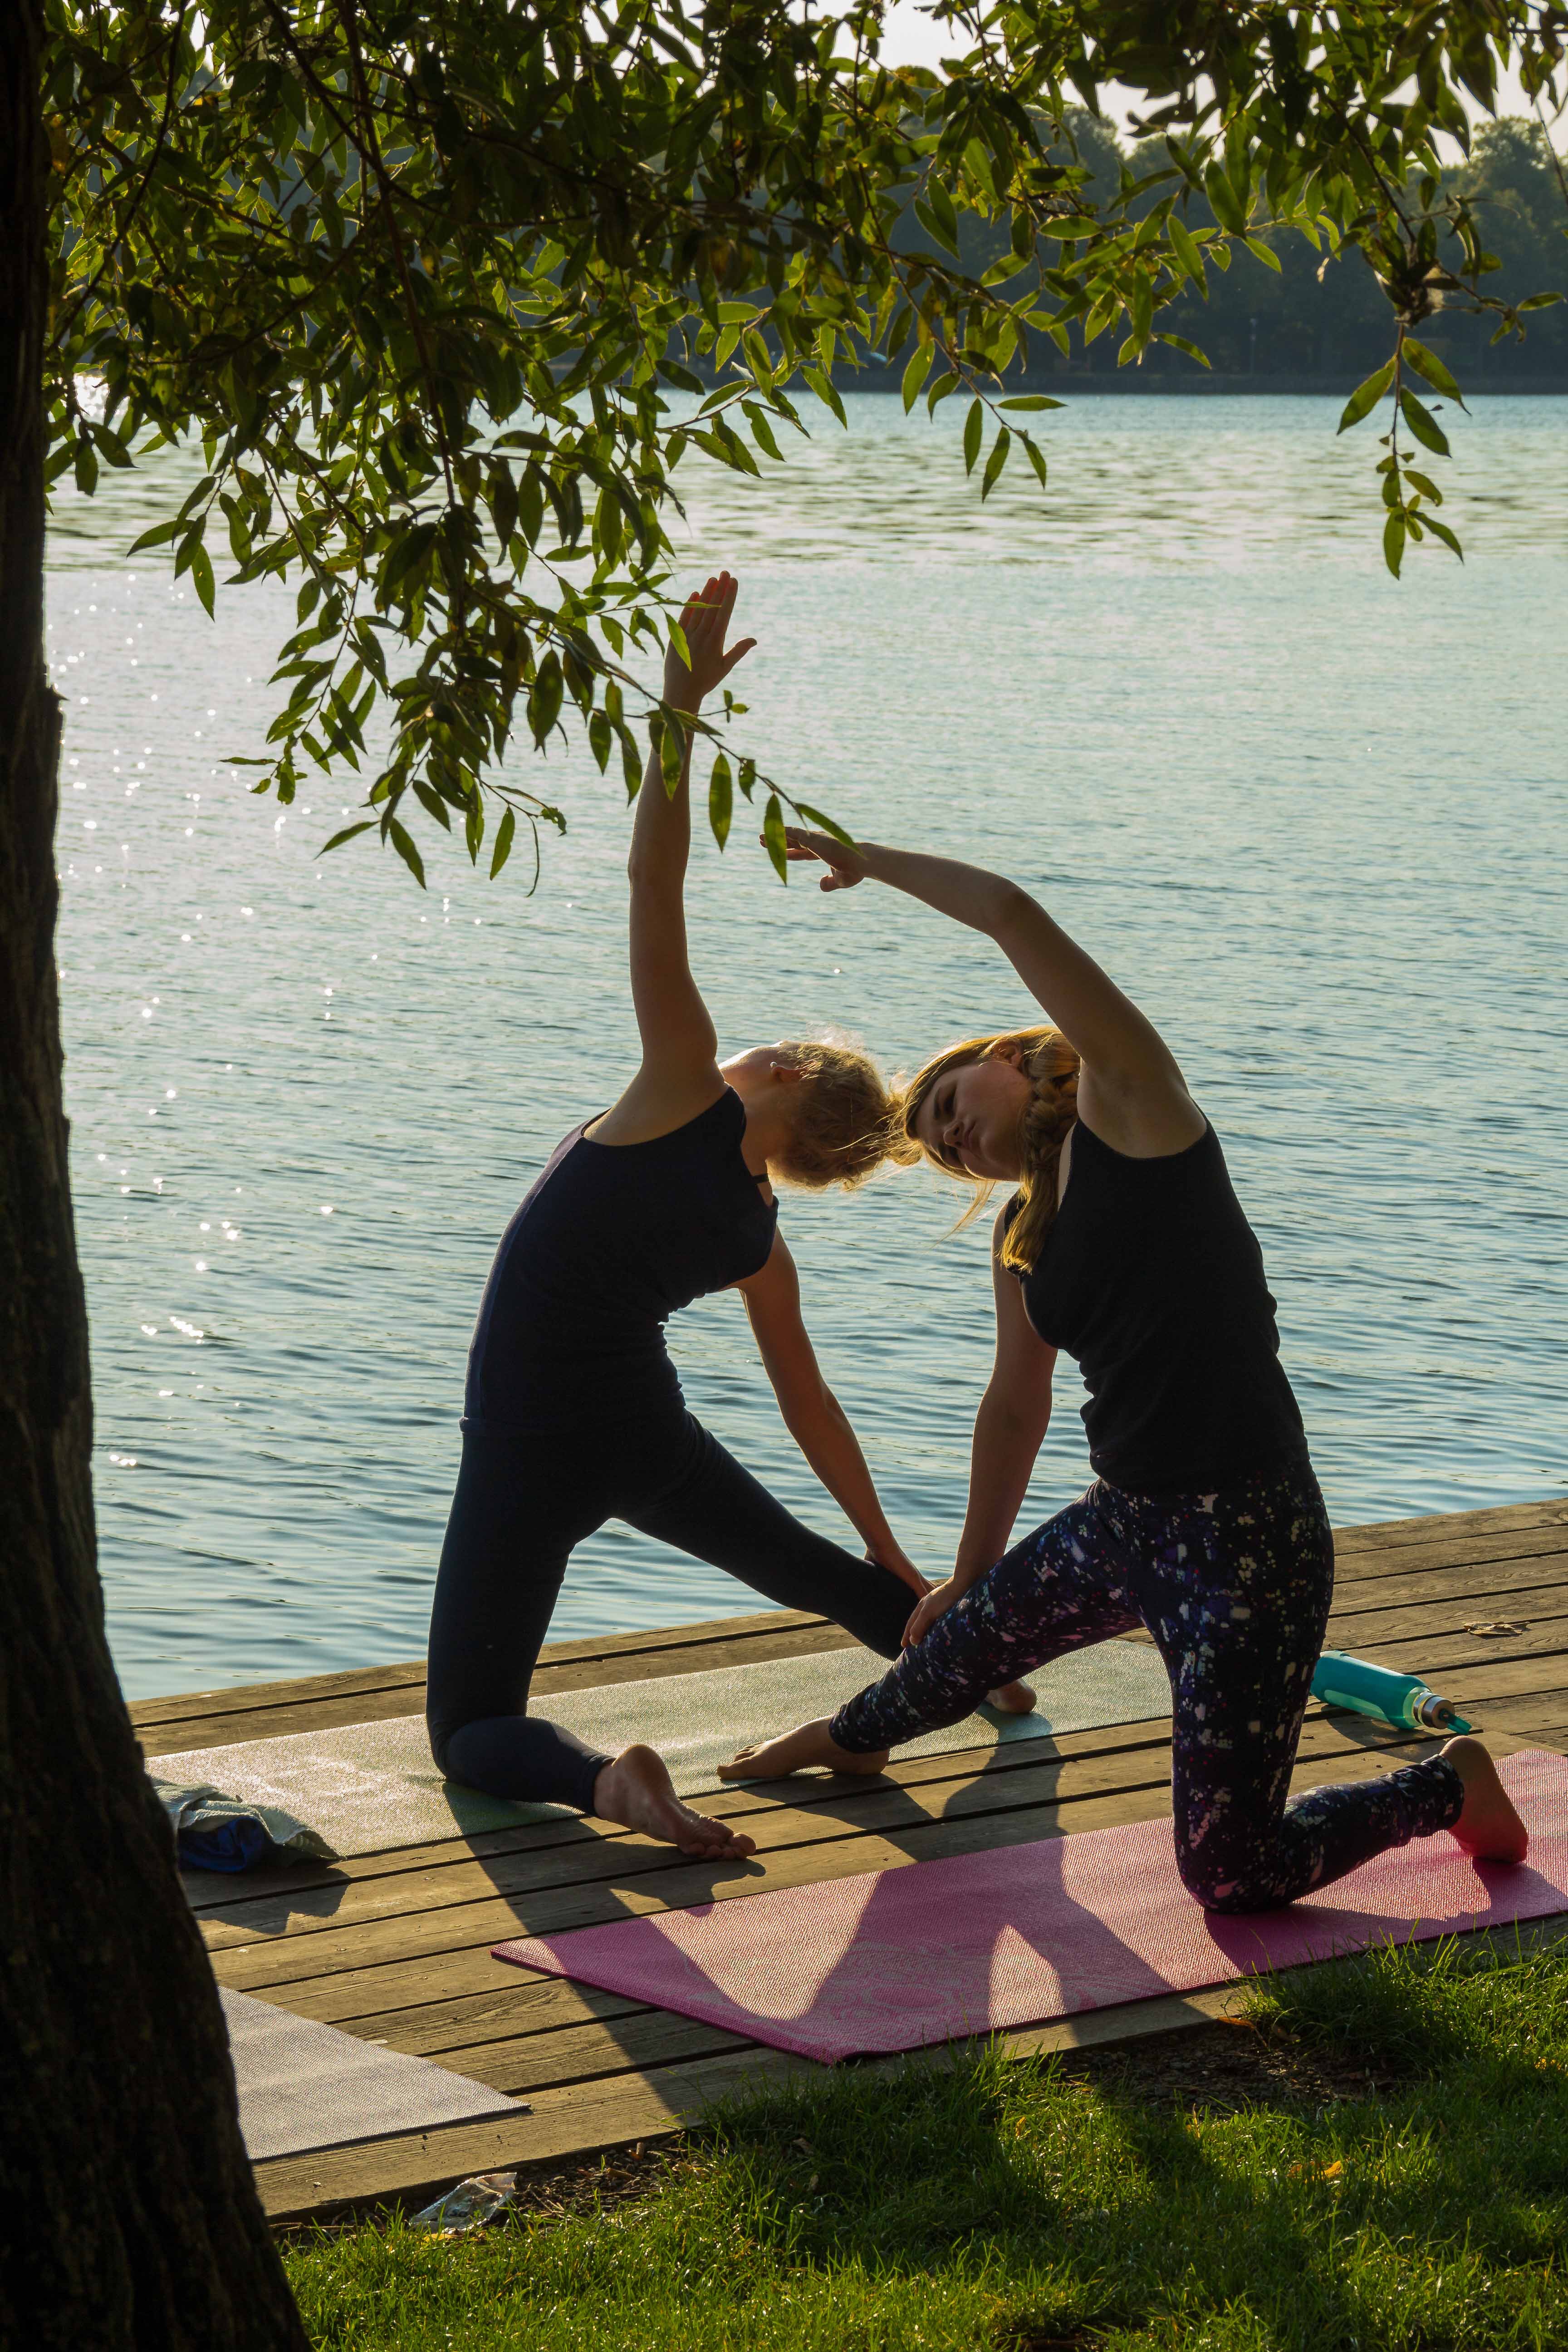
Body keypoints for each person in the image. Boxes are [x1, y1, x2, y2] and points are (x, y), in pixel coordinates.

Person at [721, 828, 1529, 1909]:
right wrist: (971, 1572)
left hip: (1250, 1542)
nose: (956, 1141)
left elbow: (1012, 913)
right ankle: (852, 1739)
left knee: (1231, 1872)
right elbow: (1016, 1405)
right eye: (945, 1149)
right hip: (1125, 1523)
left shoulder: (1136, 1109)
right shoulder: (1023, 1230)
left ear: (1010, 1059)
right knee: (955, 1650)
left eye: (954, 1108)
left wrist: (871, 862)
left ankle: (1446, 1786)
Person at [426, 577, 1028, 1863]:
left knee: (471, 1726)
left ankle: (607, 1783)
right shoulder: (757, 1235)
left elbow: (654, 877)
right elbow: (812, 1409)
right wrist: (895, 1563)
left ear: (786, 1074)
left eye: (764, 1045)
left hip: (528, 1431)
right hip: (641, 1431)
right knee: (817, 1573)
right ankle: (970, 1658)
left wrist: (678, 707)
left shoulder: (677, 1091)